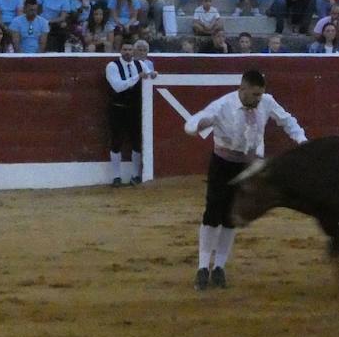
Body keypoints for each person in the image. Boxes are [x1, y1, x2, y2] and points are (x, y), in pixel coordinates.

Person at [184, 70, 306, 290]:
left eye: (260, 95)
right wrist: (197, 126)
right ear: (242, 89)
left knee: (232, 214)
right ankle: (202, 267)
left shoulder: (267, 102)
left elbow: (287, 120)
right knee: (212, 212)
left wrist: (301, 139)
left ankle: (219, 267)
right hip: (222, 163)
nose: (258, 99)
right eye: (254, 95)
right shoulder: (223, 105)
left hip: (247, 166)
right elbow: (195, 121)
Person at [105, 42, 156, 186]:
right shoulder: (112, 66)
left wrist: (154, 74)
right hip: (118, 108)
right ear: (120, 51)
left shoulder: (140, 64)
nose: (127, 52)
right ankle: (116, 177)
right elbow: (118, 87)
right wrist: (137, 77)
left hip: (135, 109)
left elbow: (150, 77)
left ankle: (135, 175)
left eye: (129, 49)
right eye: (124, 49)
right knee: (116, 142)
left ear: (133, 51)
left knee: (136, 142)